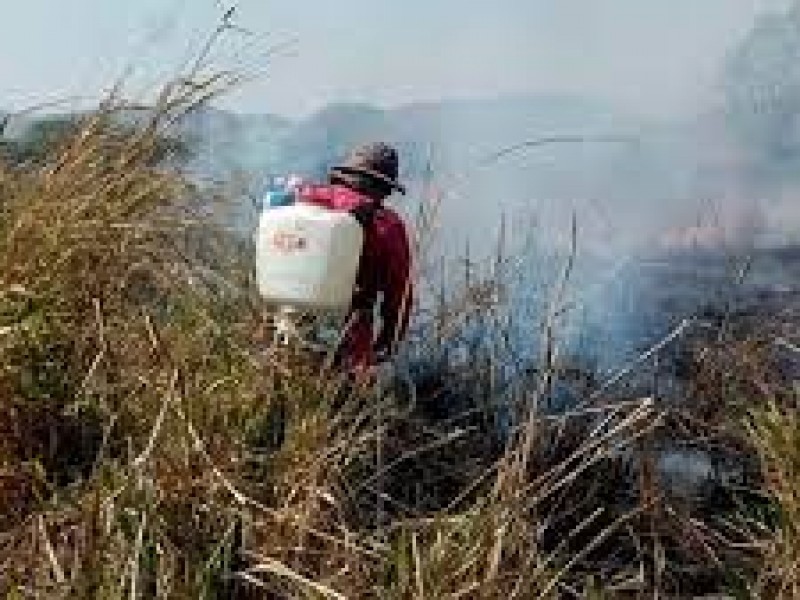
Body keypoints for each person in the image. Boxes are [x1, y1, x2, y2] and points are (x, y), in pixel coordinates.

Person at [296, 142, 414, 373]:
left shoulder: (302, 199)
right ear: (384, 187)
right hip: (348, 339)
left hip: (284, 325)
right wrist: (388, 342)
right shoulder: (387, 224)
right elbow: (399, 296)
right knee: (341, 404)